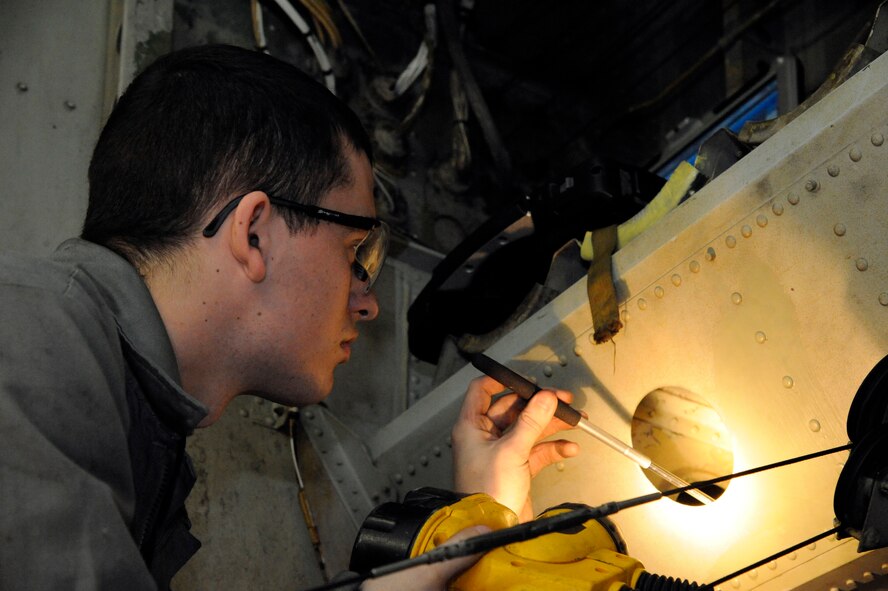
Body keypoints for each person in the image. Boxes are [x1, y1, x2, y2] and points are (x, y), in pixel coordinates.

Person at [0, 44, 578, 590]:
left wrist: (485, 513)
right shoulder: (25, 340)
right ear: (253, 233)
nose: (368, 302)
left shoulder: (128, 415)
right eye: (354, 253)